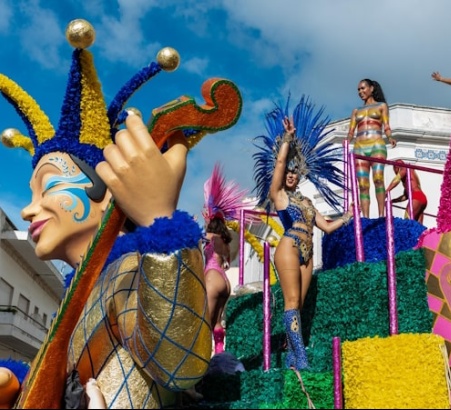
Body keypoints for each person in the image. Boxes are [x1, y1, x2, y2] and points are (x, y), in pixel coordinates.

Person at [0, 19, 242, 409]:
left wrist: (158, 220)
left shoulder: (129, 269)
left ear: (104, 191)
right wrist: (16, 384)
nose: (28, 209)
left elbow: (180, 360)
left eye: (48, 187)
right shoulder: (77, 297)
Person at [253, 96, 351, 371]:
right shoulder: (279, 196)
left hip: (308, 253)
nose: (292, 175)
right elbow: (281, 163)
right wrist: (287, 139)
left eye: (296, 173)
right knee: (292, 301)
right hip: (289, 246)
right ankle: (301, 356)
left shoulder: (307, 202)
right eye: (288, 172)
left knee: (300, 305)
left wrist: (347, 217)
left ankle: (294, 354)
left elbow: (327, 226)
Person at [202, 163, 253, 356]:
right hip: (224, 280)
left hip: (212, 277)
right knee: (217, 323)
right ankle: (220, 354)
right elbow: (227, 261)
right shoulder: (224, 239)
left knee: (204, 324)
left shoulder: (209, 237)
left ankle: (205, 363)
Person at [347, 79, 397, 219]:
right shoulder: (356, 111)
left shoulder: (381, 106)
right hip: (360, 147)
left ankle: (382, 216)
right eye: (358, 90)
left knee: (378, 179)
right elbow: (351, 131)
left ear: (371, 88)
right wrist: (347, 141)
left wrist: (390, 137)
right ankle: (365, 218)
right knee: (362, 184)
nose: (360, 92)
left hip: (377, 144)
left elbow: (386, 125)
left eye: (363, 88)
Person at [386, 159, 428, 224]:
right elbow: (405, 196)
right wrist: (393, 201)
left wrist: (387, 191)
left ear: (396, 167)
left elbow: (396, 180)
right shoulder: (409, 177)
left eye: (394, 169)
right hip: (421, 198)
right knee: (417, 226)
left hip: (416, 197)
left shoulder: (404, 168)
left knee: (407, 220)